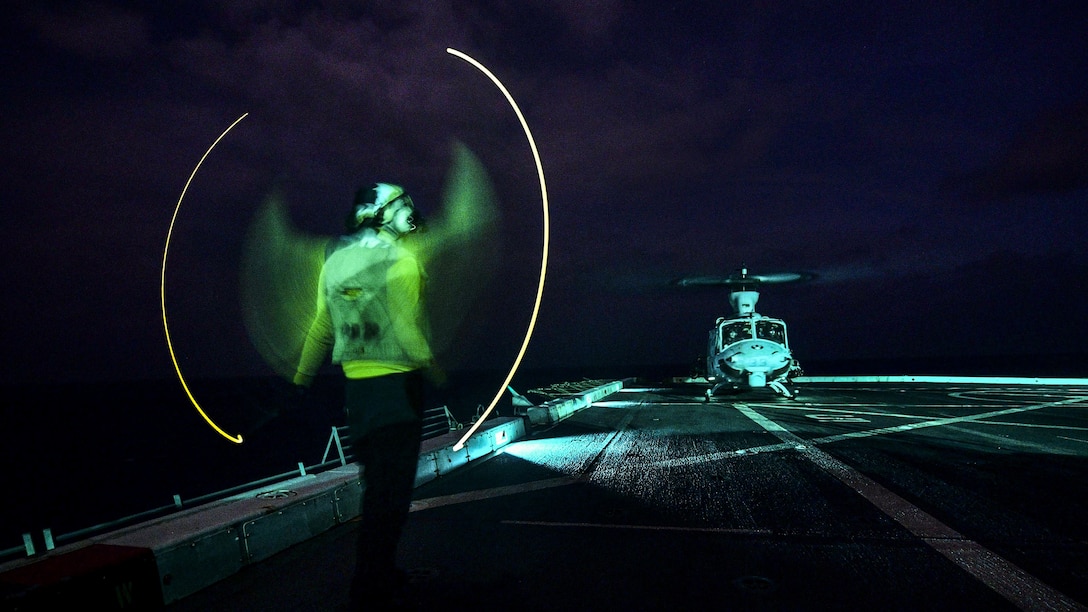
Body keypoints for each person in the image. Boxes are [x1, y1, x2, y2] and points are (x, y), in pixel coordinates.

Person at [293, 182, 441, 608]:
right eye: (404, 203)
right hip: (398, 387)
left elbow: (322, 325)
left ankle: (378, 575)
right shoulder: (402, 261)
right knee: (391, 496)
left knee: (376, 488)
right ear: (383, 212)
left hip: (357, 393)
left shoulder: (336, 263)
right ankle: (372, 587)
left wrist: (300, 379)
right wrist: (435, 369)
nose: (411, 208)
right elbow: (407, 328)